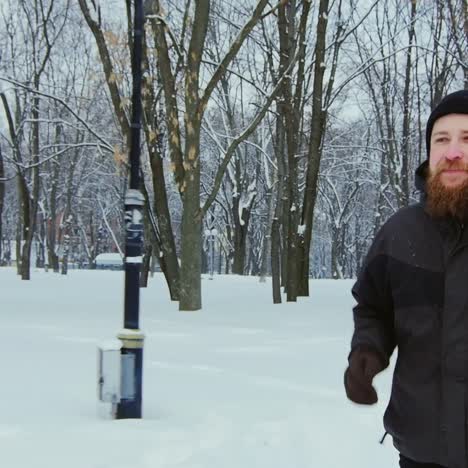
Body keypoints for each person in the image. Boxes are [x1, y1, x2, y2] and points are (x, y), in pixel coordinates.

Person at [344, 89, 468, 468]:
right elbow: (374, 308)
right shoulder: (400, 234)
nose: (452, 152)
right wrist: (368, 350)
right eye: (441, 140)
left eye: (467, 139)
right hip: (420, 451)